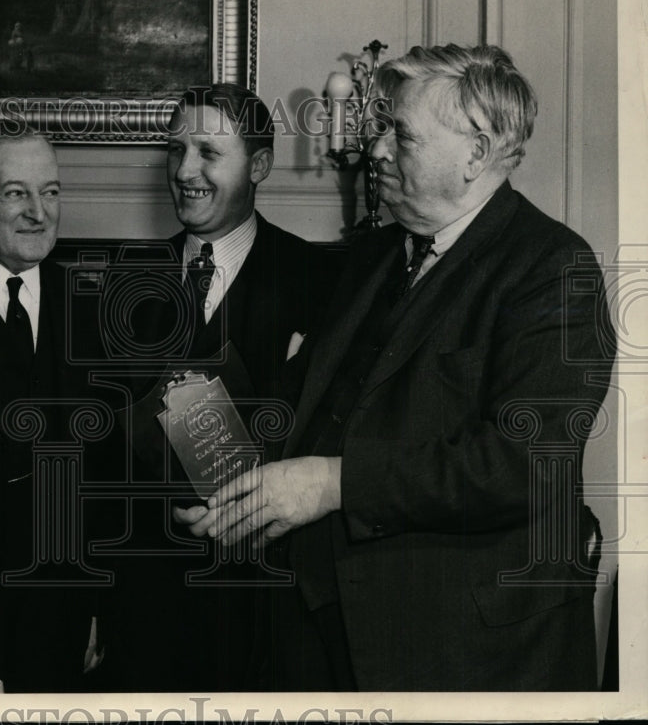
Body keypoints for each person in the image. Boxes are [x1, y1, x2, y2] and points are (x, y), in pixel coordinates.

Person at [179, 44, 615, 691]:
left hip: (460, 648)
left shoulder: (552, 267)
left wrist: (334, 484)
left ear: (475, 152)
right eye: (381, 128)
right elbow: (309, 401)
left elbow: (524, 463)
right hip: (325, 626)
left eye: (401, 134)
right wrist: (210, 447)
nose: (377, 149)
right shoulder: (378, 254)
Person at [98, 83, 332, 692]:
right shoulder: (126, 278)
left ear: (258, 165)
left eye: (208, 151)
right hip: (142, 606)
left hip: (264, 609)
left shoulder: (318, 279)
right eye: (177, 151)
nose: (185, 171)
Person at [0, 129, 98, 693]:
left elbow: (101, 476)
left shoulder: (88, 304)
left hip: (66, 632)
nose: (38, 213)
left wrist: (97, 606)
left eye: (50, 192)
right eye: (14, 194)